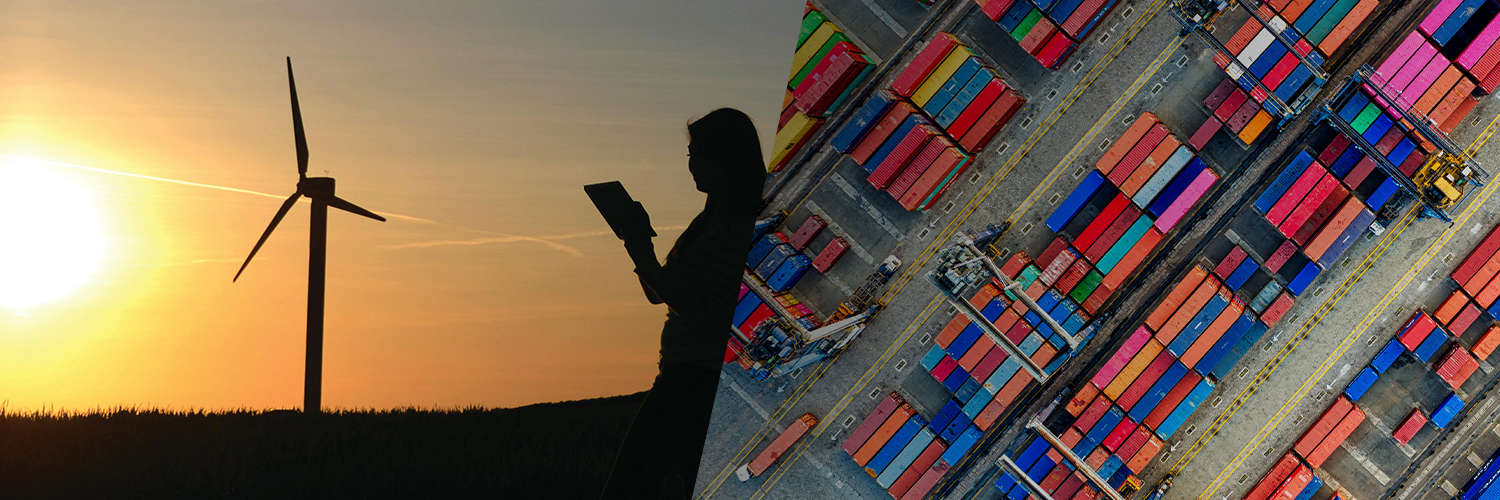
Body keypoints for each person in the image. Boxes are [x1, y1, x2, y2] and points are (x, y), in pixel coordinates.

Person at [599, 108, 766, 499]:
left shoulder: (736, 228)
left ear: (722, 159)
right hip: (682, 375)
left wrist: (642, 250)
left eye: (696, 153)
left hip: (693, 381)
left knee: (627, 486)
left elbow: (707, 312)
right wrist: (638, 244)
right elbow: (660, 293)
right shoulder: (706, 221)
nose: (690, 164)